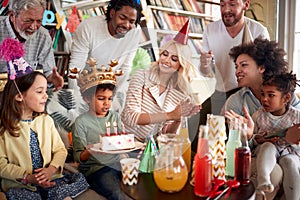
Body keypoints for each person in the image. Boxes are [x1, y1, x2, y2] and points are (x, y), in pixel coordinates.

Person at [223, 38, 300, 200]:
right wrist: (250, 136)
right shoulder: (236, 102)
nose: (237, 71)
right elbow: (232, 149)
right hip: (255, 157)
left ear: (262, 68)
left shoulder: (287, 96)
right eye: (236, 66)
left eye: (244, 65)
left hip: (290, 154)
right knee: (275, 173)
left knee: (290, 165)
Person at [121, 21, 201, 142]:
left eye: (174, 59)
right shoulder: (141, 76)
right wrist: (171, 114)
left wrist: (178, 118)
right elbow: (131, 117)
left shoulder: (178, 93)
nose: (167, 60)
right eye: (165, 54)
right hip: (125, 143)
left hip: (151, 149)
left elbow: (165, 134)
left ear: (181, 65)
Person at [198, 0, 270, 126]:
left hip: (248, 93)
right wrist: (204, 65)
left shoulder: (258, 31)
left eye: (232, 4)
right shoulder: (210, 30)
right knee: (197, 125)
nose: (226, 10)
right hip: (220, 91)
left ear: (245, 5)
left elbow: (267, 70)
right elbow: (206, 72)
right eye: (222, 5)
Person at [71, 59, 131, 200]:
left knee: (140, 183)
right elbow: (78, 157)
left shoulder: (114, 117)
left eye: (110, 99)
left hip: (117, 163)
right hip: (96, 170)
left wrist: (125, 143)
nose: (107, 103)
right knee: (117, 194)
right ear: (87, 98)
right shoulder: (81, 123)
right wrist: (91, 150)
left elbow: (121, 142)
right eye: (101, 98)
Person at [69, 0, 143, 113]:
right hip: (85, 87)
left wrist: (110, 97)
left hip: (113, 86)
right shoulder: (88, 27)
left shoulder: (135, 33)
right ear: (112, 13)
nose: (126, 25)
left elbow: (125, 68)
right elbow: (75, 68)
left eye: (132, 21)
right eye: (122, 17)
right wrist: (76, 102)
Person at [253, 72, 300, 200]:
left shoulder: (296, 116)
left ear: (286, 98)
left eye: (271, 95)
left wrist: (295, 142)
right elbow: (252, 139)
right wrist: (259, 139)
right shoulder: (258, 116)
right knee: (268, 145)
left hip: (291, 153)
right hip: (268, 152)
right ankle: (264, 180)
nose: (264, 99)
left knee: (289, 161)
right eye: (263, 94)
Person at [0, 0, 64, 91]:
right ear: (12, 16)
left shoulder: (43, 36)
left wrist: (52, 78)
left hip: (25, 96)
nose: (34, 27)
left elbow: (47, 71)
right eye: (28, 21)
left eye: (39, 21)